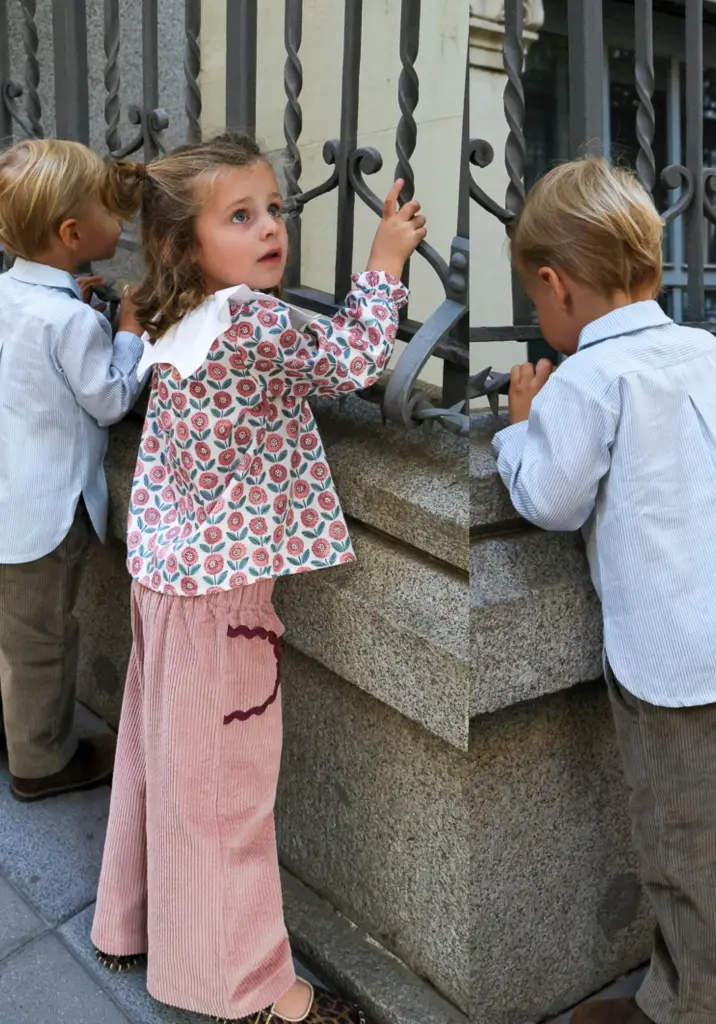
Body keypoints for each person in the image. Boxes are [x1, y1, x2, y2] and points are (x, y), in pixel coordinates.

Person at [89, 133, 426, 1024]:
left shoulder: (179, 316)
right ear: (184, 244)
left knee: (158, 761)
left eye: (275, 209)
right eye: (241, 216)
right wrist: (385, 262)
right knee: (229, 796)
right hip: (222, 603)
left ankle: (130, 923)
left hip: (163, 578)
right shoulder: (251, 320)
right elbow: (353, 362)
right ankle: (260, 994)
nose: (272, 227)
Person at [492, 157, 716, 1024]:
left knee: (689, 845)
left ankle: (692, 1005)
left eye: (535, 299)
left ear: (556, 286)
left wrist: (521, 433)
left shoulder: (590, 381)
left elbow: (553, 502)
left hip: (680, 668)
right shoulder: (706, 351)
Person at [0, 139, 147, 802]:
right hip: (44, 515)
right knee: (43, 643)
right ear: (71, 234)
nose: (123, 223)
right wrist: (131, 330)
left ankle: (12, 729)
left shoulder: (13, 295)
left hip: (8, 497)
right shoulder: (72, 323)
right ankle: (41, 761)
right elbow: (111, 397)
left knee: (9, 633)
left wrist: (78, 299)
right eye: (112, 213)